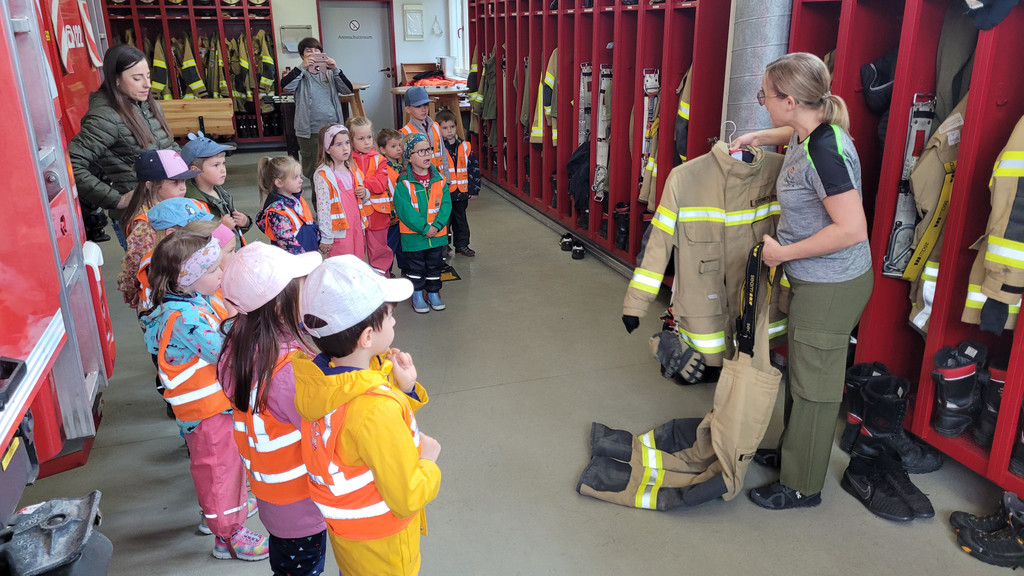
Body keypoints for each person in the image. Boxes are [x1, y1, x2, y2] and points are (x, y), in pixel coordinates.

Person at [733, 52, 873, 510]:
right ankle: (797, 453)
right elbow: (789, 132)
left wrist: (782, 253)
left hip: (832, 285)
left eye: (765, 97)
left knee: (814, 385)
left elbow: (852, 229)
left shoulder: (826, 152)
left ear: (790, 100)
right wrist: (758, 135)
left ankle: (802, 484)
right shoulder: (812, 129)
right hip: (816, 281)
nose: (762, 102)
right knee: (802, 371)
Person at [290, 254, 442, 576]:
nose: (395, 322)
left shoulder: (324, 380)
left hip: (351, 537)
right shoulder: (374, 409)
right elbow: (407, 495)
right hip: (384, 541)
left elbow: (364, 434)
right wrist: (428, 461)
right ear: (367, 337)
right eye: (389, 317)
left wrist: (408, 388)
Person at [140, 231, 271, 560]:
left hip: (217, 408)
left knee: (230, 464)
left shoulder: (193, 302)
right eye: (213, 270)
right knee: (218, 471)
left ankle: (230, 509)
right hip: (207, 414)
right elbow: (225, 353)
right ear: (188, 279)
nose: (220, 274)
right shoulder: (186, 319)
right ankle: (227, 536)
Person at [218, 242, 328, 576]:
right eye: (299, 287)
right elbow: (329, 427)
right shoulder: (289, 375)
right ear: (280, 308)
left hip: (274, 497)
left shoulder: (238, 346)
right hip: (303, 505)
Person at [69, 44, 178, 249]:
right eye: (137, 78)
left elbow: (168, 145)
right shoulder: (106, 116)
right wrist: (116, 200)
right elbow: (72, 164)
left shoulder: (146, 105)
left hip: (164, 209)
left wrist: (187, 169)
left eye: (148, 76)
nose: (147, 84)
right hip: (138, 218)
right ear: (116, 80)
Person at [117, 150, 200, 310]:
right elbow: (134, 259)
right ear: (150, 185)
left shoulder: (179, 206)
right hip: (157, 294)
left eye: (184, 182)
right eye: (175, 182)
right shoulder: (146, 223)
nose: (183, 188)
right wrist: (131, 288)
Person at [281, 37, 354, 183]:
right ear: (302, 55)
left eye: (317, 50)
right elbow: (286, 86)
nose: (313, 53)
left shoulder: (330, 73)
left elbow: (347, 90)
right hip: (311, 132)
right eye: (309, 51)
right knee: (315, 173)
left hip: (334, 130)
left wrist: (335, 69)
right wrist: (301, 67)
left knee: (338, 169)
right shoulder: (299, 74)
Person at [393, 133, 451, 313]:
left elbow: (446, 205)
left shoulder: (439, 180)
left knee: (434, 266)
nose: (427, 154)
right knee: (415, 268)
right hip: (414, 238)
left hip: (437, 236)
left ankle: (433, 293)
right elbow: (405, 211)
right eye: (420, 151)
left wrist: (437, 225)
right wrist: (424, 228)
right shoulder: (404, 183)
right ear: (409, 157)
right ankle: (417, 294)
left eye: (428, 150)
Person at [181, 131, 251, 247]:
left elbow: (233, 229)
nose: (223, 169)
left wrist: (245, 222)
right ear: (195, 170)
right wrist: (222, 229)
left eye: (223, 163)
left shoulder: (221, 192)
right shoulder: (191, 205)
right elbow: (196, 243)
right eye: (216, 165)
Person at [312, 124, 369, 259]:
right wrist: (326, 237)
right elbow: (323, 209)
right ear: (327, 148)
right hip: (339, 233)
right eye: (338, 144)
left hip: (357, 228)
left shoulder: (352, 168)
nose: (345, 148)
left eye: (347, 143)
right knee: (342, 266)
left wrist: (365, 193)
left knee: (358, 262)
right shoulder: (323, 174)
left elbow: (362, 196)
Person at [347, 116, 394, 274]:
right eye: (361, 138)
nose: (367, 142)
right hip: (356, 217)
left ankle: (382, 283)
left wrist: (363, 185)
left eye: (369, 137)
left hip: (378, 216)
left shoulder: (380, 160)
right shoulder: (346, 161)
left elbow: (381, 183)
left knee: (379, 252)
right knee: (356, 253)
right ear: (351, 141)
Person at [436, 109, 481, 258]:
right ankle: (445, 247)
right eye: (445, 128)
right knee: (444, 222)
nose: (449, 131)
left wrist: (474, 190)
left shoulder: (465, 146)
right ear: (438, 129)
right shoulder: (437, 149)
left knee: (461, 222)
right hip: (445, 194)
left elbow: (473, 168)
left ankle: (462, 245)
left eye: (452, 127)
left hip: (461, 194)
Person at [256, 156, 320, 254]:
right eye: (295, 178)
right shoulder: (277, 212)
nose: (301, 180)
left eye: (300, 176)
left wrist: (319, 239)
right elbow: (287, 243)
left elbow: (309, 223)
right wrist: (305, 259)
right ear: (279, 182)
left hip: (309, 256)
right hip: (296, 262)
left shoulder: (297, 199)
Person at [399, 86, 450, 180]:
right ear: (408, 109)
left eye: (425, 104)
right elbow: (406, 164)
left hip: (440, 179)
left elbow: (443, 154)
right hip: (420, 182)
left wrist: (447, 179)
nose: (423, 109)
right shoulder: (405, 132)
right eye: (418, 106)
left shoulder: (435, 126)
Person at [378, 128, 407, 274]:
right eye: (393, 146)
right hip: (390, 218)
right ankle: (387, 273)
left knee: (404, 247)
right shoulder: (382, 169)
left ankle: (406, 270)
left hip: (404, 217)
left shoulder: (404, 166)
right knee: (389, 247)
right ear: (383, 149)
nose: (398, 149)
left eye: (400, 146)